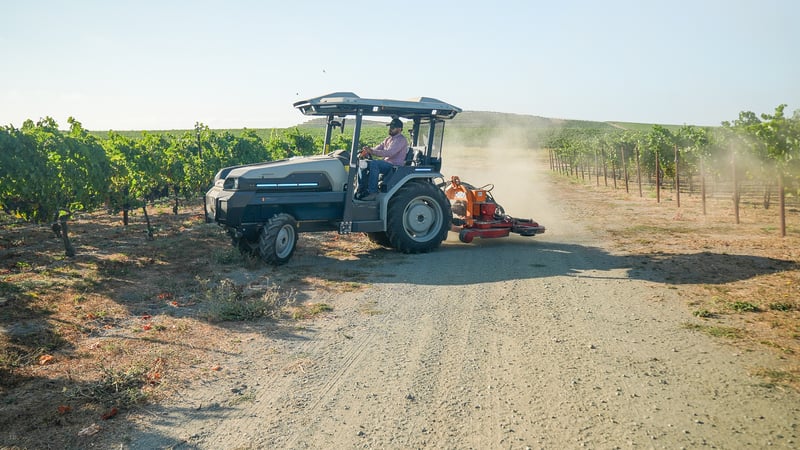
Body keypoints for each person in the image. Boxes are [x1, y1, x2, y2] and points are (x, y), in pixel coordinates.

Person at [356, 118, 409, 201]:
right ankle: (361, 189)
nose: (390, 129)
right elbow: (378, 147)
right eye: (390, 127)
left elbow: (389, 153)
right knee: (363, 163)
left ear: (399, 129)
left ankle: (373, 192)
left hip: (394, 166)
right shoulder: (388, 139)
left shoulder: (401, 140)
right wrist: (367, 150)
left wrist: (372, 151)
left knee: (375, 163)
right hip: (386, 163)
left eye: (392, 127)